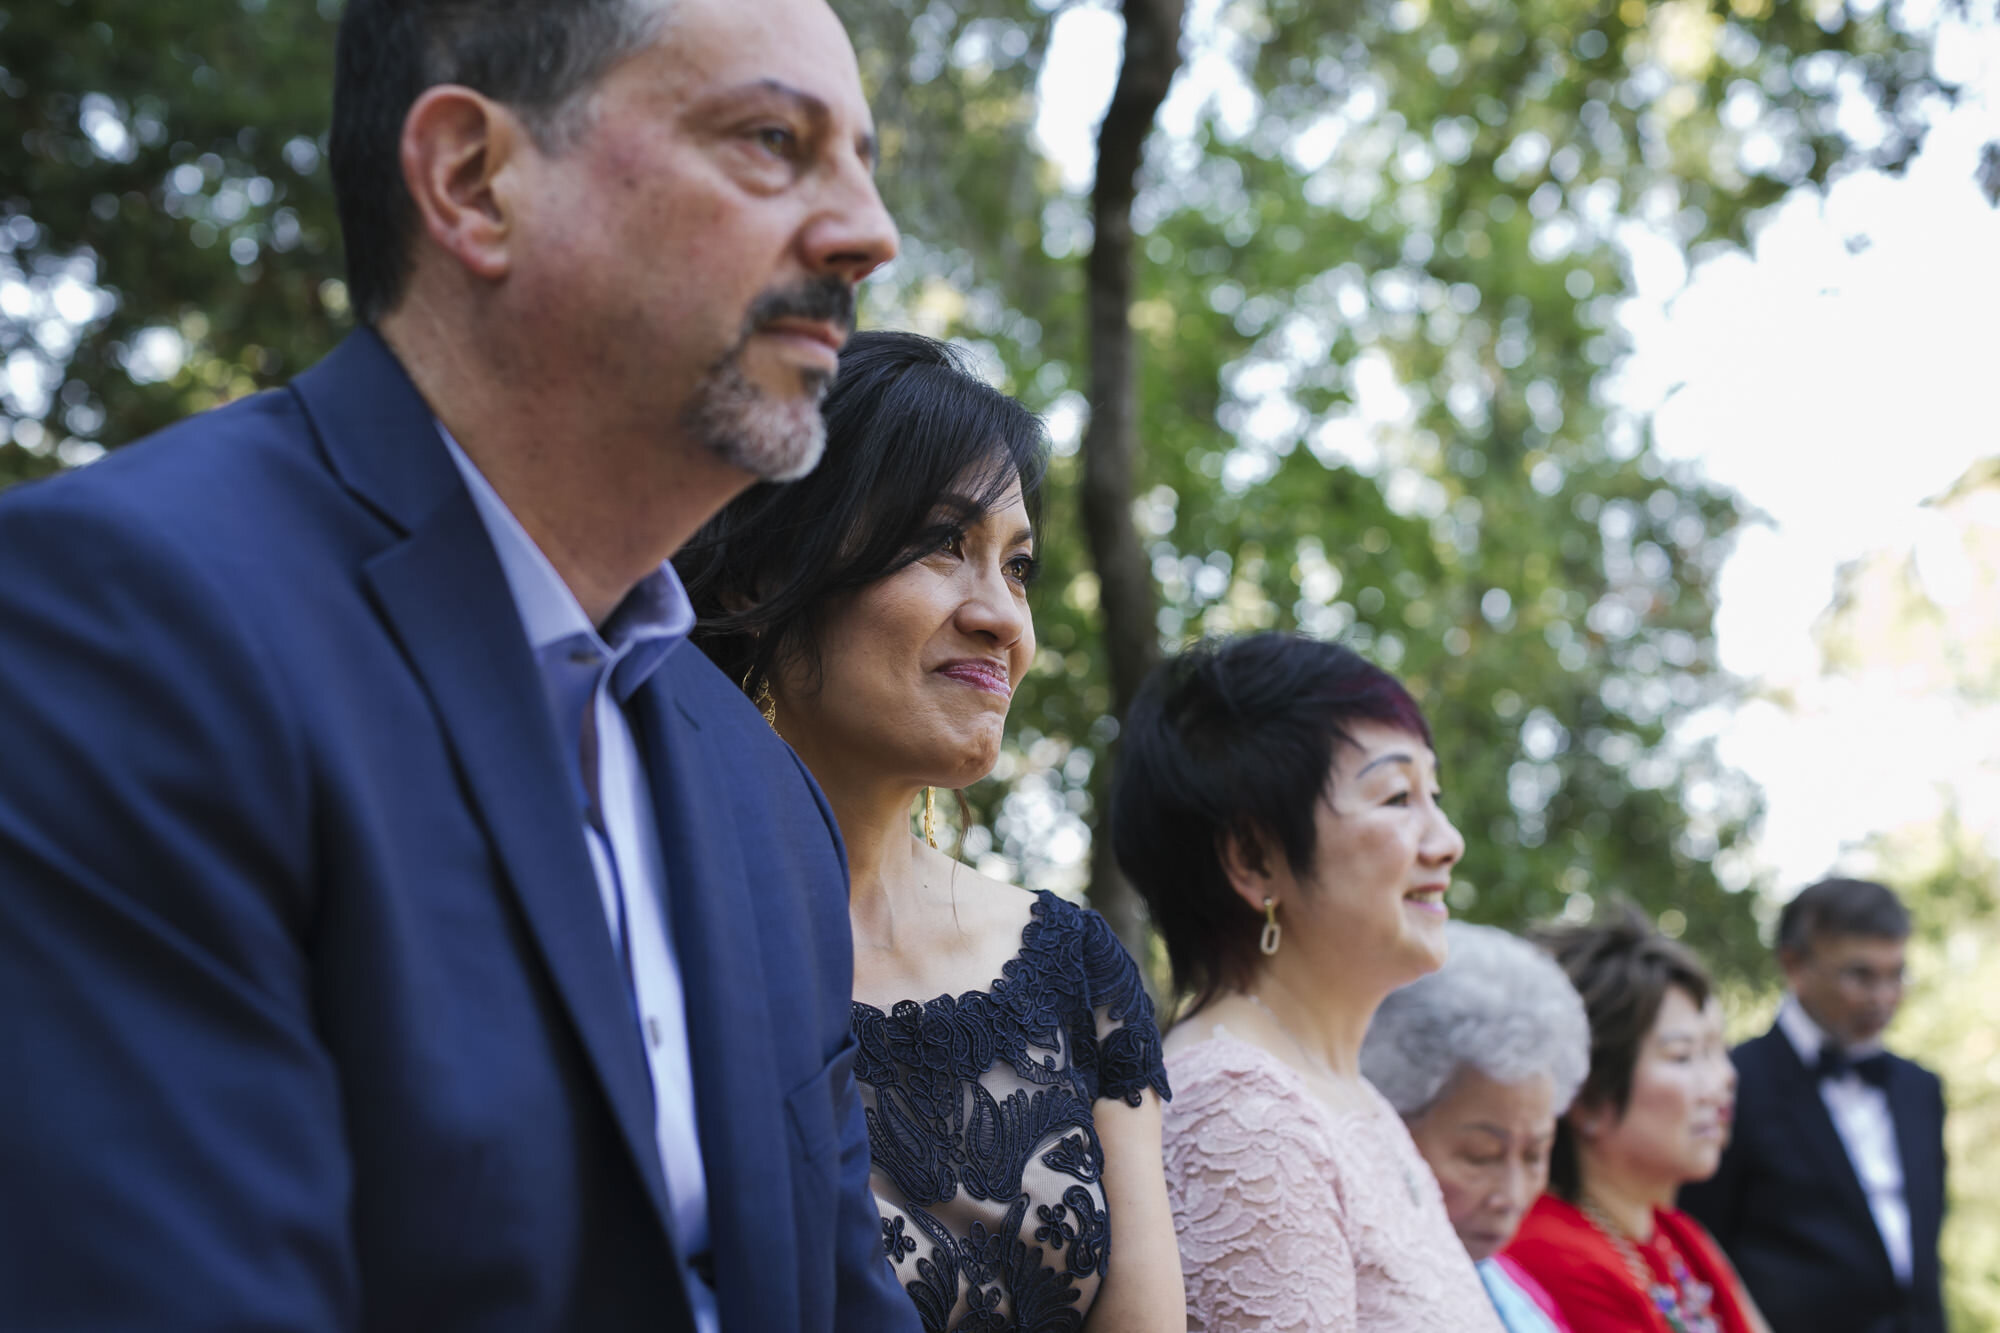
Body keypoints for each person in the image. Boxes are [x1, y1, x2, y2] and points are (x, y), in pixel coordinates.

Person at [0, 0, 920, 1328]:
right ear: (474, 180)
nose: (868, 235)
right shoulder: (122, 626)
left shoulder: (764, 801)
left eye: (866, 162)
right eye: (773, 141)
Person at [677, 329, 1184, 1333]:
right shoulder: (663, 925)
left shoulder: (1075, 966)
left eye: (1019, 567)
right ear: (758, 575)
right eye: (941, 544)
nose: (1004, 619)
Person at [1108, 632, 1501, 1333]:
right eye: (1396, 797)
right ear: (1255, 858)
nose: (1446, 840)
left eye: (1432, 793)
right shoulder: (1241, 1116)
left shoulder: (1349, 1097)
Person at [1679, 878, 1947, 1333]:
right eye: (1860, 975)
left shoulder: (1921, 1089)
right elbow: (1703, 1247)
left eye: (1896, 973)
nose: (1884, 998)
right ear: (1795, 965)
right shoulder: (1730, 1084)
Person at [1506, 909, 1770, 1333]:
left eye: (1718, 1050)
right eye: (1684, 1056)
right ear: (1587, 1094)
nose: (1723, 1079)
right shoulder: (1552, 1252)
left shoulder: (1676, 1234)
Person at [1361, 920, 1591, 1333]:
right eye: (1480, 1156)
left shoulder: (1514, 1287)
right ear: (1393, 1126)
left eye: (1535, 1155)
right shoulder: (1351, 1295)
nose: (1513, 1195)